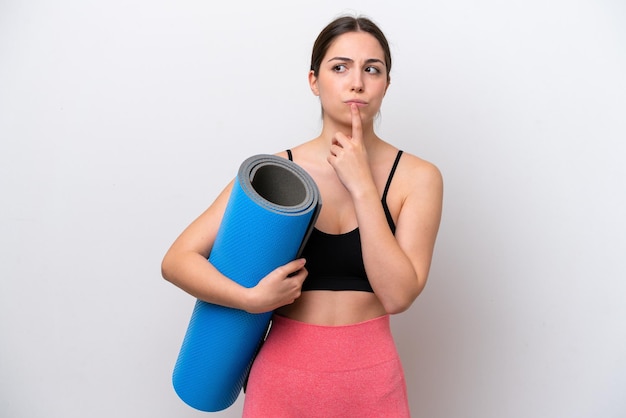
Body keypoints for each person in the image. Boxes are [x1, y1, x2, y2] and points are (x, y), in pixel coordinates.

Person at [162, 14, 443, 417]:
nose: (356, 82)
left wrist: (362, 184)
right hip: (282, 381)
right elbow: (176, 261)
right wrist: (250, 299)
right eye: (340, 67)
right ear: (314, 80)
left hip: (372, 384)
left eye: (372, 69)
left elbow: (398, 296)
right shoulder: (276, 173)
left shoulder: (418, 178)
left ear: (386, 84)